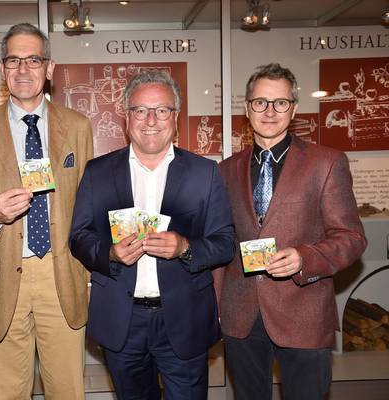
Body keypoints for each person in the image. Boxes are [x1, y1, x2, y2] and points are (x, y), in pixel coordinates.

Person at [69, 70, 235, 399]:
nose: (150, 120)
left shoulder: (204, 173)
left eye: (161, 110)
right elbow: (79, 237)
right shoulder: (98, 172)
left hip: (185, 319)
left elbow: (225, 243)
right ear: (126, 116)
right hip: (122, 320)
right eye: (140, 110)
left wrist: (185, 247)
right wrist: (110, 253)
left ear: (176, 117)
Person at [0, 23, 93, 400]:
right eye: (14, 61)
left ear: (49, 68)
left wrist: (93, 270)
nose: (23, 69)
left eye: (33, 60)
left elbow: (89, 206)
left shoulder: (78, 127)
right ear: (2, 69)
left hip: (60, 273)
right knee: (9, 392)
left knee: (68, 390)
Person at [214, 63, 367, 400]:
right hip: (241, 315)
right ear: (247, 108)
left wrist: (304, 258)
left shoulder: (326, 163)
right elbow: (221, 244)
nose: (269, 111)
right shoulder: (225, 170)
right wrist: (216, 309)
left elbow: (352, 237)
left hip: (304, 314)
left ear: (294, 109)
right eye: (260, 102)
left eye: (280, 102)